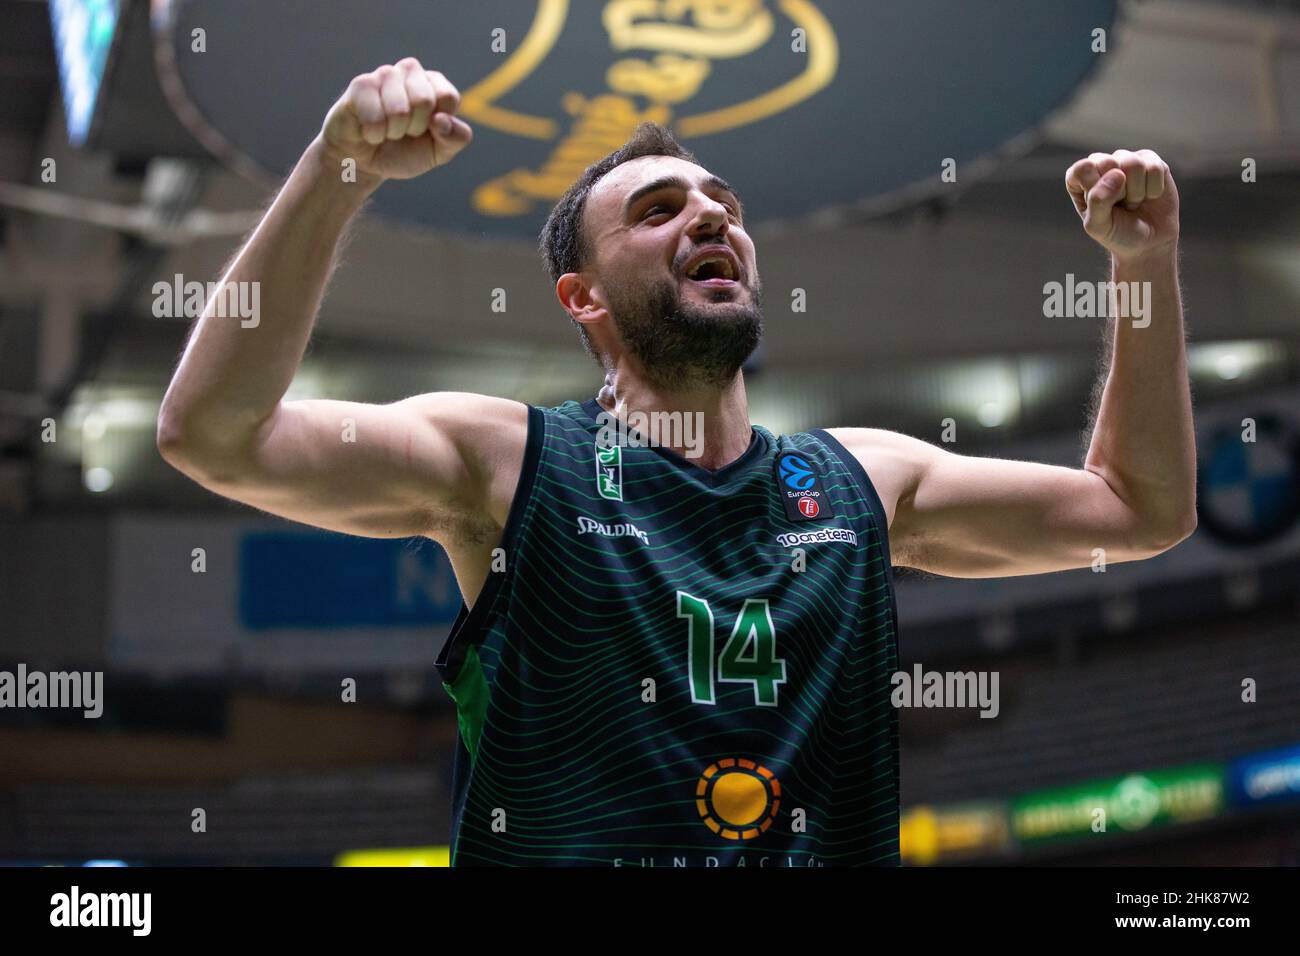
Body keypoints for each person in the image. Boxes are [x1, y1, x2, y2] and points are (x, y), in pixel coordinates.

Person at [157, 58, 1196, 866]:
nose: (711, 216)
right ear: (584, 298)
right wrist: (340, 167)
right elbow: (216, 435)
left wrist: (1141, 266)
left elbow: (1137, 507)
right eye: (657, 211)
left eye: (722, 207)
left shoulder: (862, 482)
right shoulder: (507, 462)